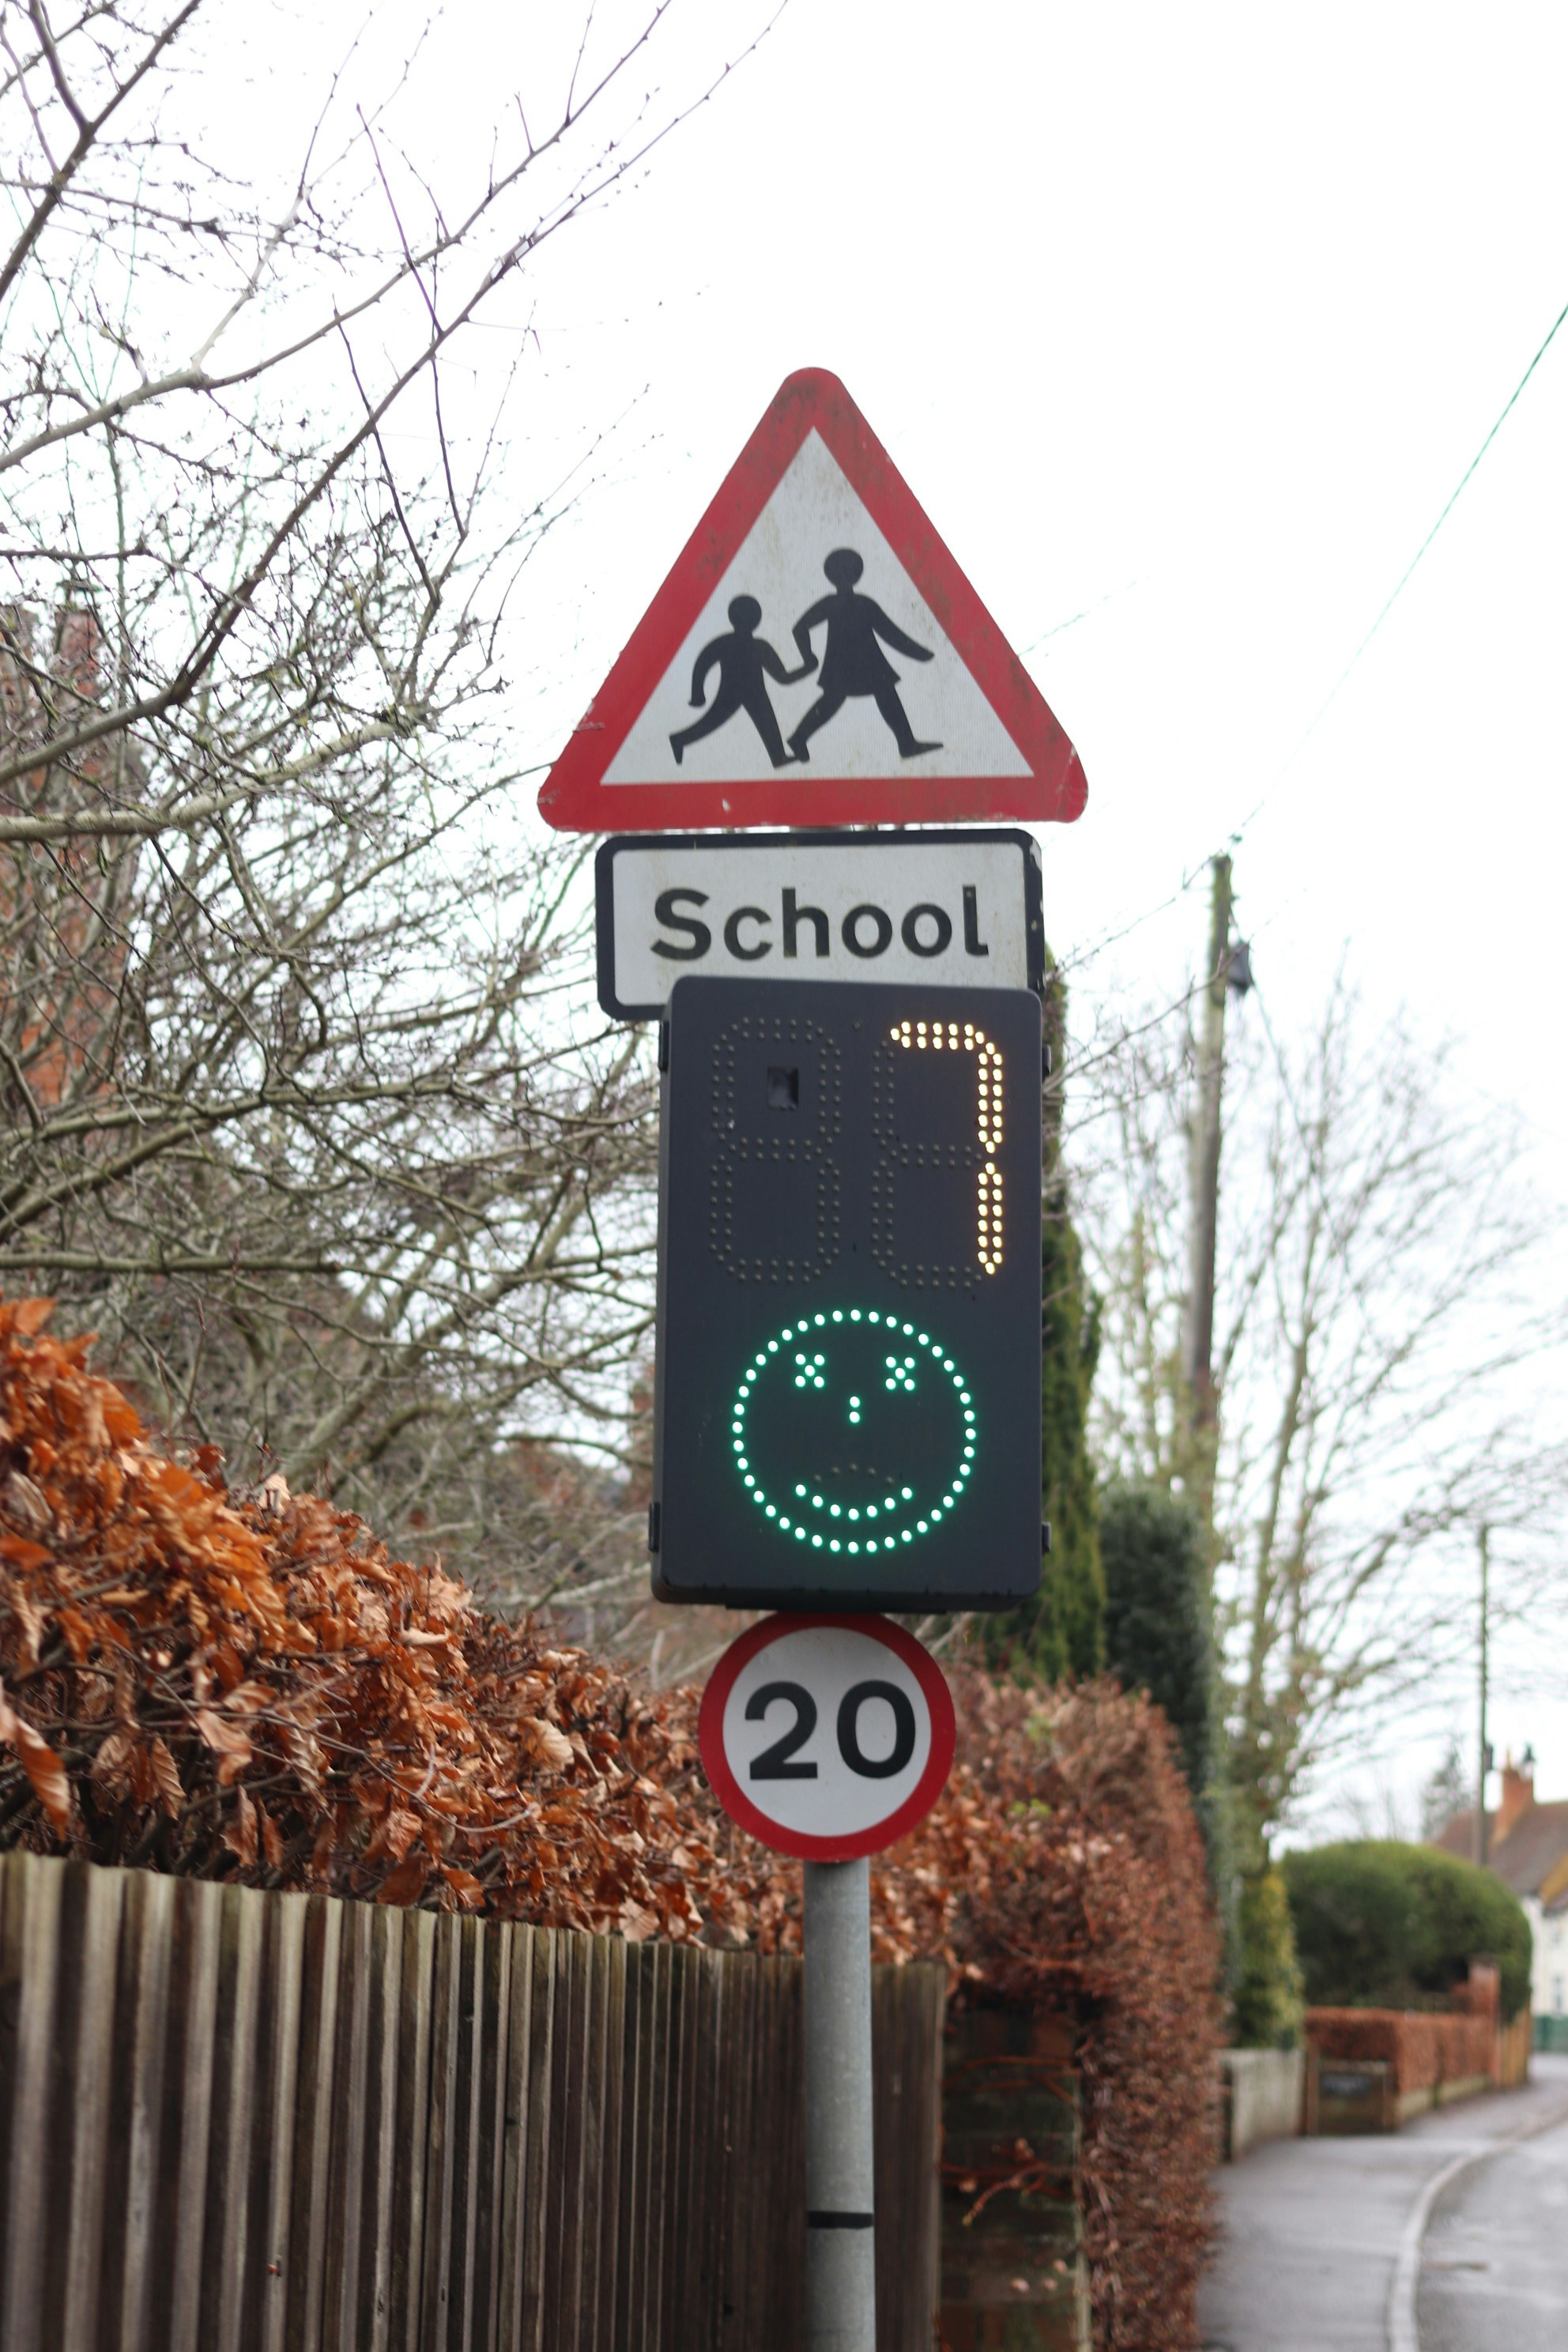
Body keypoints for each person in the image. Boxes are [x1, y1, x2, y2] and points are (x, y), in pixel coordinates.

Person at [786, 548, 942, 762]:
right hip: (862, 663)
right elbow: (890, 633)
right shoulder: (861, 603)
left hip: (855, 663)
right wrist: (918, 653)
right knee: (845, 699)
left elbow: (889, 632)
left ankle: (906, 744)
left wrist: (808, 658)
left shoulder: (836, 603)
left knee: (865, 696)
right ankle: (799, 738)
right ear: (857, 573)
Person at [669, 596, 811, 768]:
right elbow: (783, 678)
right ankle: (679, 740)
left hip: (752, 693)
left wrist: (697, 694)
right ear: (757, 619)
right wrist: (807, 668)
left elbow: (702, 664)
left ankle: (778, 757)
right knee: (712, 723)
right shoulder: (757, 645)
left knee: (766, 723)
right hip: (735, 693)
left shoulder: (734, 643)